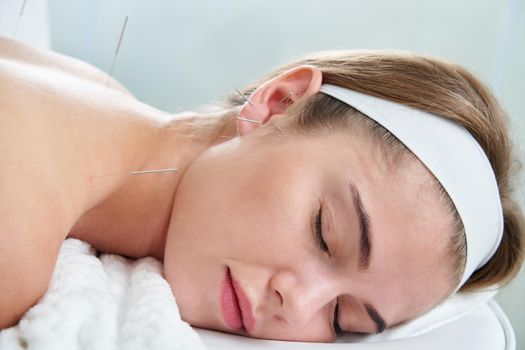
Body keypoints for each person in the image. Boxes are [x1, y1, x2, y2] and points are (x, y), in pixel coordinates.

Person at [0, 36, 523, 343]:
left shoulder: (92, 93)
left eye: (344, 320)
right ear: (278, 102)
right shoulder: (15, 234)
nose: (296, 304)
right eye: (324, 233)